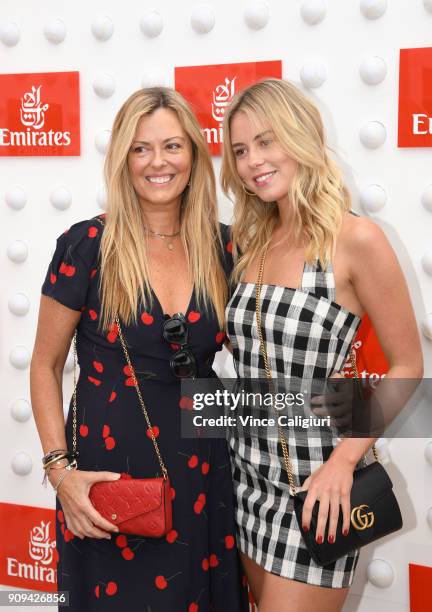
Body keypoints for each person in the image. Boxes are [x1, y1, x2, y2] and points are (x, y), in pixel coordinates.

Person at [30, 87, 248, 611]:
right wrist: (61, 475)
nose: (158, 162)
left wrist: (335, 419)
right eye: (140, 148)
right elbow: (45, 364)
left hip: (203, 464)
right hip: (108, 479)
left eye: (173, 146)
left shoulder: (226, 247)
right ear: (122, 160)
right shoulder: (86, 246)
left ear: (194, 156)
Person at [220, 78, 423, 611]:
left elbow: (406, 364)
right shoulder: (251, 240)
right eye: (240, 150)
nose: (251, 162)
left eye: (266, 142)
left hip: (319, 488)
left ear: (300, 138)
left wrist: (343, 462)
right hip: (245, 476)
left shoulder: (355, 240)